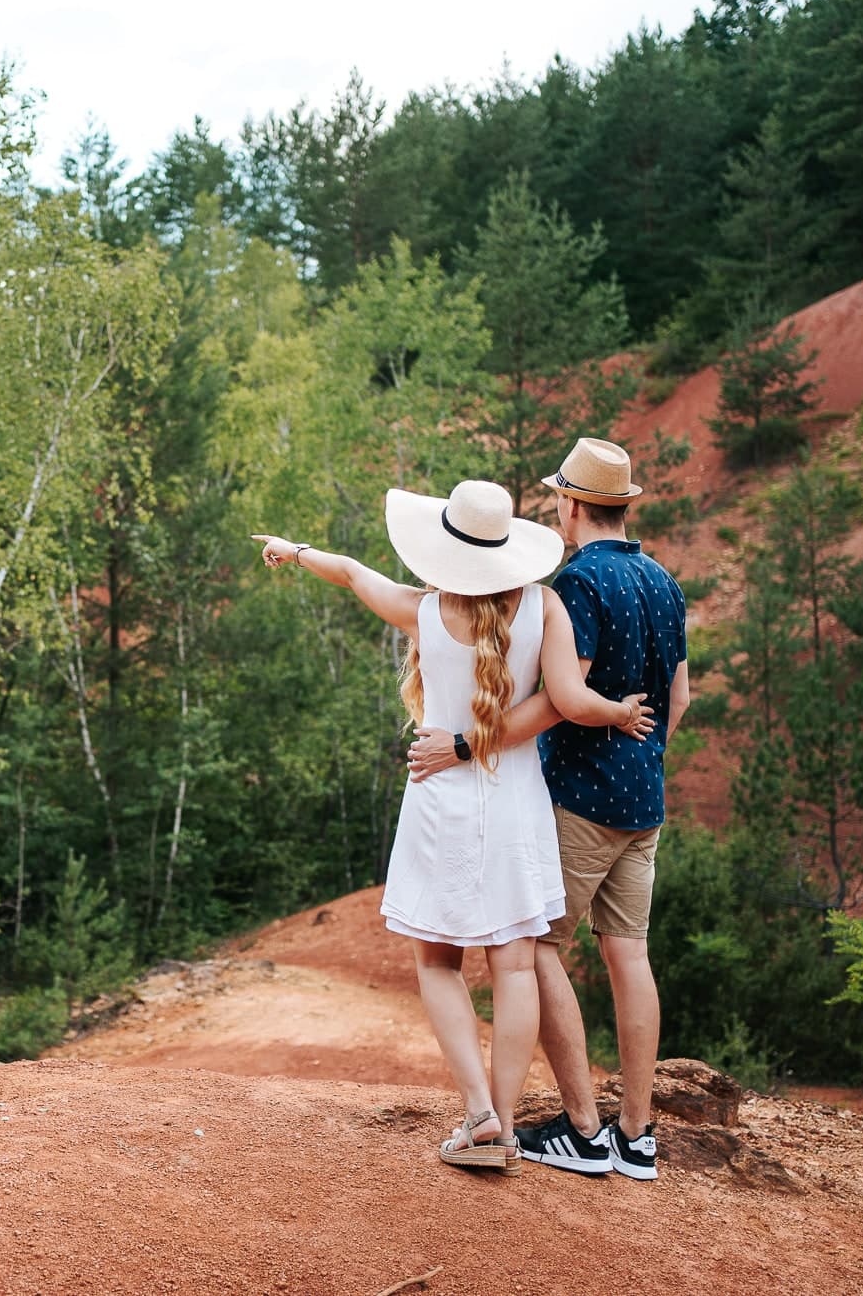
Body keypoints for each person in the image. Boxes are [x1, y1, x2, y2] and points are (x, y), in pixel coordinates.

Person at [252, 479, 653, 1175]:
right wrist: (616, 711)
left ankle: (479, 1114)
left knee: (437, 960)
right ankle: (502, 1124)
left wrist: (294, 551)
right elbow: (562, 702)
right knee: (516, 963)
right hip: (520, 800)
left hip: (442, 797)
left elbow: (350, 571)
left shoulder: (425, 610)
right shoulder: (545, 606)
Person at [407, 438, 689, 1182]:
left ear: (569, 505)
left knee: (534, 948)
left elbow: (561, 700)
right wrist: (645, 754)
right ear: (623, 505)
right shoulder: (664, 581)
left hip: (582, 797)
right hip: (645, 799)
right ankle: (639, 1133)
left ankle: (585, 1129)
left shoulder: (577, 584)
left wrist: (467, 745)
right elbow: (679, 700)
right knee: (630, 954)